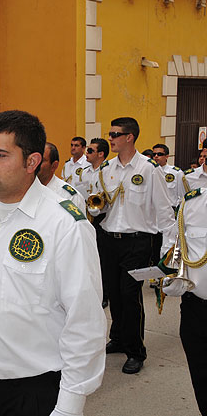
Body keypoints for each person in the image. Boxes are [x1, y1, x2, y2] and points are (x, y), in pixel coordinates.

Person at [0, 110, 106, 416]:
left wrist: (70, 405)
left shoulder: (63, 223)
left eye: (0, 154)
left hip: (36, 392)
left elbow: (85, 320)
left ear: (31, 162)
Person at [89, 117, 176, 374]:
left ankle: (136, 350)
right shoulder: (106, 169)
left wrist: (166, 251)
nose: (111, 138)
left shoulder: (149, 169)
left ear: (130, 137)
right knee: (113, 294)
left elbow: (164, 212)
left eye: (116, 134)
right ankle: (118, 337)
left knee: (130, 295)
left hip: (137, 241)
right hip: (109, 238)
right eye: (110, 132)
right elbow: (100, 206)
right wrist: (99, 205)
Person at [160, 187, 207, 415]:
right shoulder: (192, 203)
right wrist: (172, 276)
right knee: (201, 378)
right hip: (196, 309)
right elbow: (175, 243)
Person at [79, 138, 110, 307]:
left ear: (101, 154)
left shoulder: (106, 171)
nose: (86, 153)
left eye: (90, 151)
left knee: (102, 259)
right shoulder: (84, 172)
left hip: (101, 218)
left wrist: (97, 208)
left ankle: (105, 293)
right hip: (87, 215)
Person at [37, 142, 86, 211]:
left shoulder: (70, 197)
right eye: (32, 159)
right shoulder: (23, 190)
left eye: (41, 160)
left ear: (54, 166)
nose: (35, 163)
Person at [152, 143, 185, 208]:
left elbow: (182, 196)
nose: (156, 156)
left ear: (167, 156)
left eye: (159, 154)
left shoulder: (176, 173)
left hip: (171, 210)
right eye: (154, 154)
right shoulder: (149, 172)